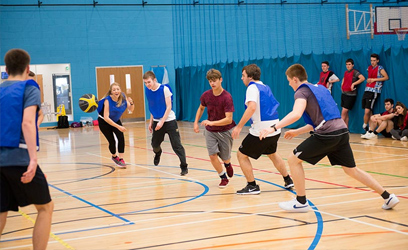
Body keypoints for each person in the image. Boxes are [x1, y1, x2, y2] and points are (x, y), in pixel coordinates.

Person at [259, 64, 399, 212]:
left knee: (293, 159)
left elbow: (296, 114)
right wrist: (297, 132)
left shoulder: (301, 92)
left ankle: (301, 202)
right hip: (342, 132)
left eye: (289, 80)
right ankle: (388, 196)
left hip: (327, 135)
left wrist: (273, 127)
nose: (288, 84)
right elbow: (323, 120)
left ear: (295, 79)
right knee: (351, 170)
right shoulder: (321, 88)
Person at [0, 49, 54, 248]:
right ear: (28, 68)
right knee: (45, 208)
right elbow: (27, 123)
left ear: (6, 69)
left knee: (1, 211)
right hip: (18, 157)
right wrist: (32, 159)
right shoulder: (29, 87)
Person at [231, 64, 294, 195]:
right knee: (272, 154)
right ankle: (288, 179)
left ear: (250, 77)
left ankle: (252, 185)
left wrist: (239, 126)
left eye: (243, 76)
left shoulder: (252, 87)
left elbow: (252, 107)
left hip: (262, 130)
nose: (241, 78)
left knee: (241, 155)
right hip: (274, 129)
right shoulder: (265, 87)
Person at [194, 69, 235, 188]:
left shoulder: (227, 97)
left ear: (220, 80)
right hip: (210, 131)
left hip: (225, 130)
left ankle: (227, 164)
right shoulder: (206, 95)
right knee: (212, 155)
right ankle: (223, 177)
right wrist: (196, 122)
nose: (212, 83)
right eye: (210, 81)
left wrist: (212, 123)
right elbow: (201, 108)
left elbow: (228, 119)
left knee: (225, 157)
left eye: (215, 81)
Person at [143, 71, 188, 176]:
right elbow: (153, 107)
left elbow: (169, 107)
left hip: (169, 121)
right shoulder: (148, 90)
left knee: (177, 145)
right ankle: (158, 153)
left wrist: (162, 121)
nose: (147, 84)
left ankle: (184, 166)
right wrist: (151, 122)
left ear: (154, 80)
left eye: (149, 82)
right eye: (145, 83)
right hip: (157, 121)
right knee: (154, 144)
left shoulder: (164, 89)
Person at [97, 82, 134, 168]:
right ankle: (114, 156)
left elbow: (131, 110)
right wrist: (119, 126)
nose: (116, 91)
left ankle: (121, 159)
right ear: (111, 92)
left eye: (117, 89)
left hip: (115, 120)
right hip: (104, 122)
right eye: (114, 90)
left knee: (121, 137)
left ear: (120, 90)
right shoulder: (107, 100)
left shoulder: (123, 97)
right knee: (112, 141)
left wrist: (131, 103)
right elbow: (106, 117)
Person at [362, 53, 389, 133]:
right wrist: (369, 80)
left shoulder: (380, 68)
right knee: (369, 111)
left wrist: (374, 79)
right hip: (367, 89)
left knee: (367, 111)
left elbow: (386, 77)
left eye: (374, 60)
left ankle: (364, 125)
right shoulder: (369, 68)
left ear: (377, 61)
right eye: (371, 60)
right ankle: (370, 130)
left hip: (374, 91)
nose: (372, 62)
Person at [340, 59, 365, 127]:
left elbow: (362, 78)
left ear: (352, 65)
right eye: (347, 64)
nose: (348, 66)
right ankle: (346, 129)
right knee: (345, 112)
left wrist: (353, 84)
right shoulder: (346, 72)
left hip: (351, 95)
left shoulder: (355, 72)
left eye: (349, 64)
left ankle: (340, 128)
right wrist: (342, 84)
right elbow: (344, 79)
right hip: (344, 94)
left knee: (344, 112)